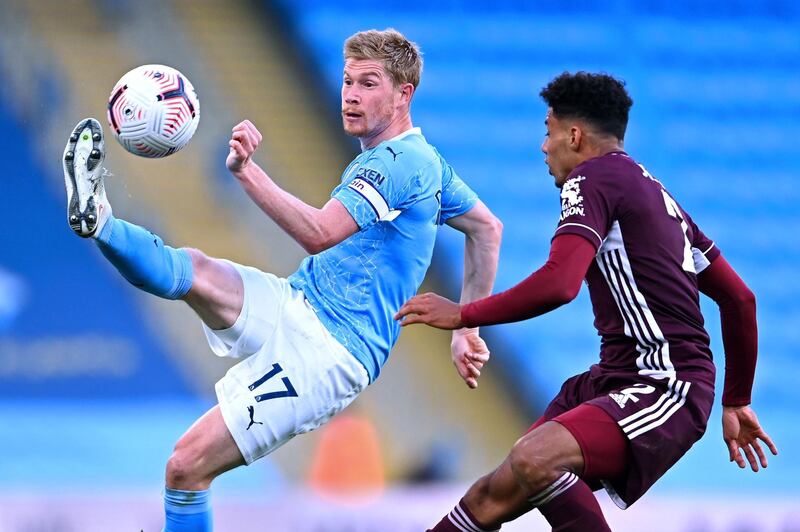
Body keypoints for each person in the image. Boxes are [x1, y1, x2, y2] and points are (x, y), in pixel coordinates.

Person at [62, 29, 502, 531]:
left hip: (329, 351)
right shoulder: (426, 162)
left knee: (186, 465)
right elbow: (488, 229)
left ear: (404, 94)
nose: (351, 95)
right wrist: (468, 328)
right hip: (300, 300)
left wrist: (247, 172)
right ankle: (99, 220)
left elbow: (319, 234)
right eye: (347, 81)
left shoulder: (401, 163)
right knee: (196, 270)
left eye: (369, 84)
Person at [395, 71, 778, 531]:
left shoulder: (591, 178)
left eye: (548, 131)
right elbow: (740, 299)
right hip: (615, 379)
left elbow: (561, 283)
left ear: (573, 136)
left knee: (535, 460)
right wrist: (736, 400)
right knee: (490, 496)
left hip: (663, 384)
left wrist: (463, 313)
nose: (544, 147)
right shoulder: (655, 192)